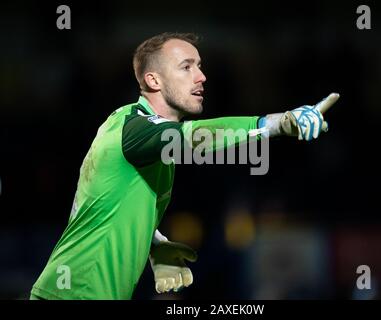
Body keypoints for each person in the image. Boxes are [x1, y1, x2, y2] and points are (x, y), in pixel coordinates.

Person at [30, 32, 339, 300]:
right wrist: (278, 123)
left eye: (200, 66)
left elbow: (96, 206)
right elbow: (197, 137)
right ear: (153, 80)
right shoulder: (134, 128)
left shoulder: (140, 136)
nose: (201, 76)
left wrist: (153, 243)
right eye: (186, 67)